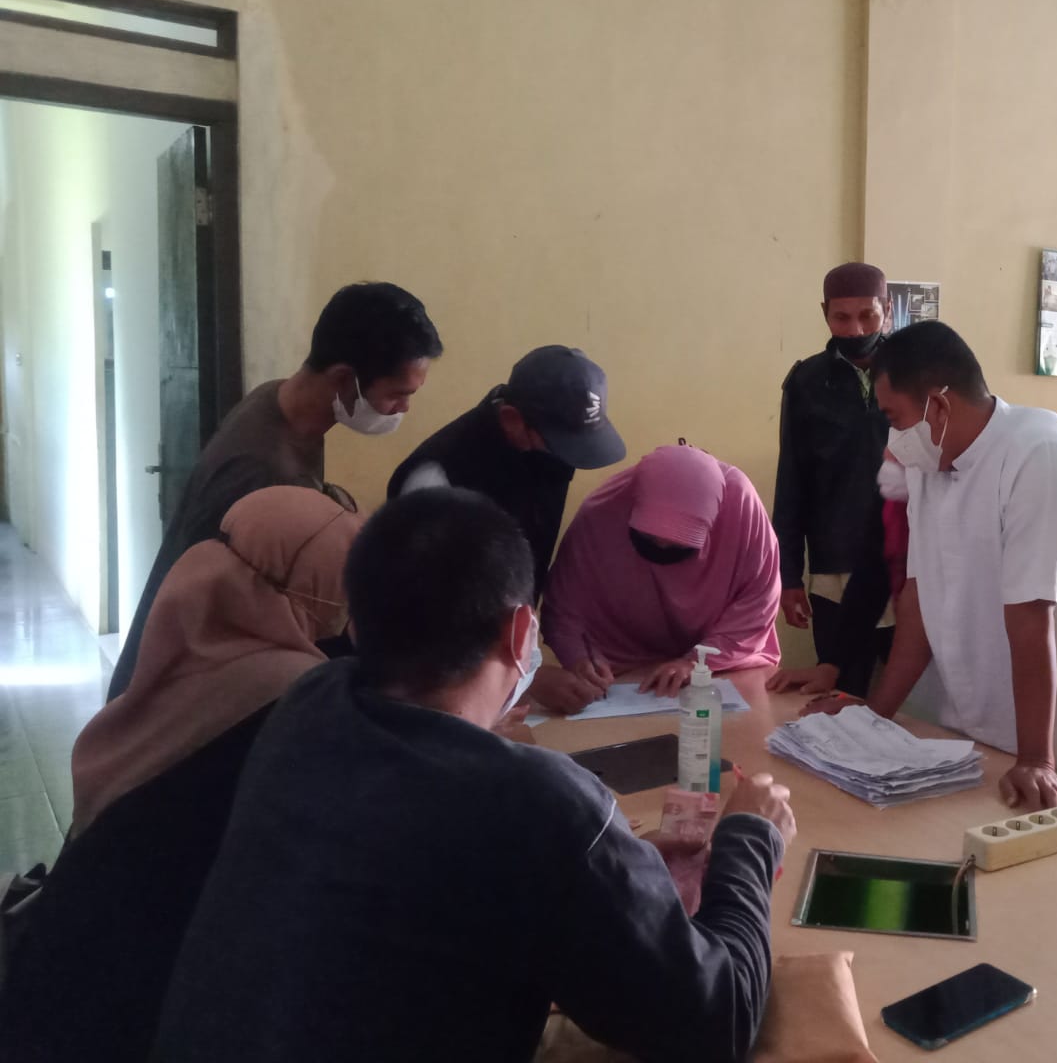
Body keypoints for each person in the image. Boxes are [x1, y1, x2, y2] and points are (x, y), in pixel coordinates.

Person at [150, 489, 793, 1063]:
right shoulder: (540, 804)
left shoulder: (309, 707)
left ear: (356, 622)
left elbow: (439, 875)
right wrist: (748, 840)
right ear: (522, 631)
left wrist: (612, 873)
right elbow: (718, 1022)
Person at [0, 488, 361, 1063]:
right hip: (147, 1001)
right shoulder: (292, 692)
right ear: (310, 581)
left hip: (68, 965)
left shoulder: (197, 627)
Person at [807, 321, 1057, 808]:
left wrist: (1037, 759)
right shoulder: (930, 463)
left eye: (895, 419)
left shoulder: (1043, 453)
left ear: (938, 406)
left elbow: (1030, 613)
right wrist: (874, 718)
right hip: (968, 722)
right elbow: (919, 598)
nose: (893, 441)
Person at [107, 282, 441, 700]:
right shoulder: (263, 472)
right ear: (343, 379)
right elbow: (257, 614)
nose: (404, 409)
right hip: (185, 683)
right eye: (397, 394)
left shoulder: (277, 400)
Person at [535, 444, 781, 712]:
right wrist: (579, 657)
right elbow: (564, 606)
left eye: (681, 544)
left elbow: (759, 600)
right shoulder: (602, 511)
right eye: (649, 539)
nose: (662, 548)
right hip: (622, 669)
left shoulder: (740, 506)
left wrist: (697, 662)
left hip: (723, 664)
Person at [387, 346, 625, 596]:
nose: (570, 454)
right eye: (562, 444)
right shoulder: (436, 481)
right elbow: (421, 594)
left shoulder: (549, 449)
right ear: (512, 419)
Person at [770, 262, 892, 698]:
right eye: (841, 317)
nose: (855, 328)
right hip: (833, 566)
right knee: (838, 690)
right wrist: (788, 577)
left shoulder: (914, 374)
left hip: (905, 564)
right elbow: (791, 483)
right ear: (824, 314)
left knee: (909, 697)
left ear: (887, 310)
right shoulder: (806, 382)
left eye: (868, 315)